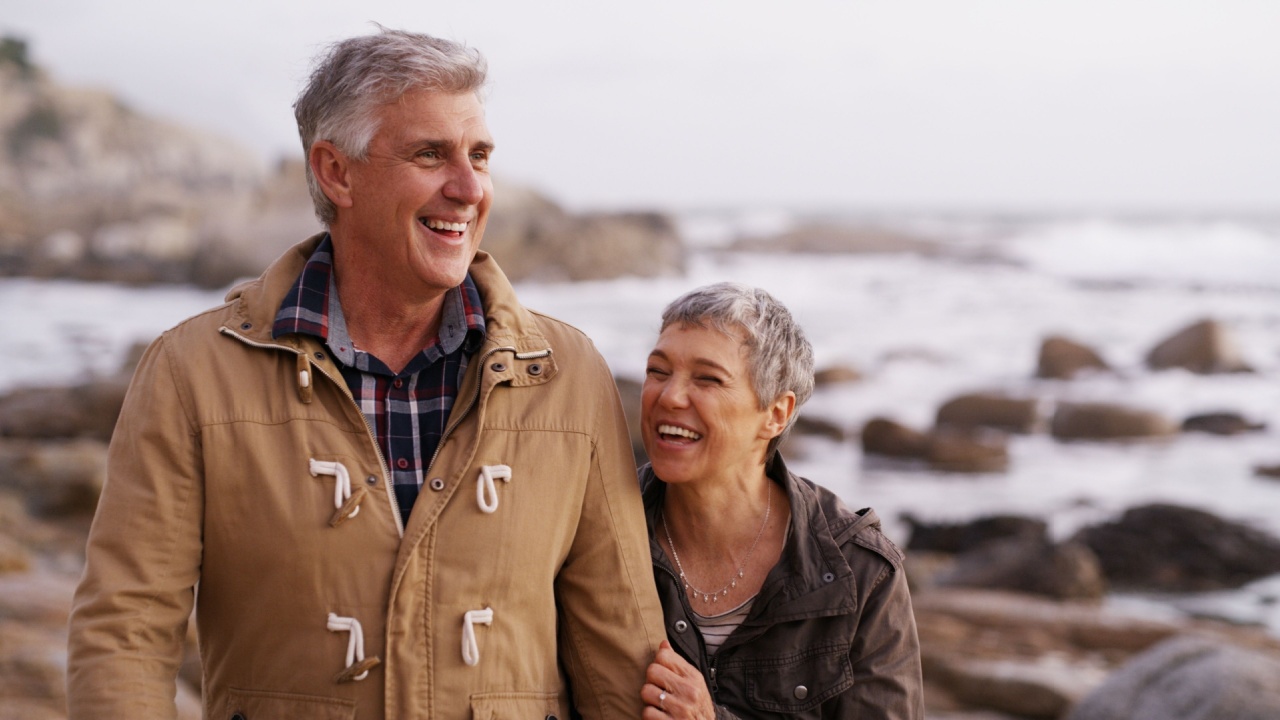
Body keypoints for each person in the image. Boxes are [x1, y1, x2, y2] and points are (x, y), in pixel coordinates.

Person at [67, 28, 664, 720]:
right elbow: (124, 635)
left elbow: (622, 647)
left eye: (479, 156)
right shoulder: (191, 372)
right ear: (336, 172)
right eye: (429, 154)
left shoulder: (566, 374)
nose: (469, 188)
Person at [636, 283, 924, 720]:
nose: (669, 396)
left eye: (707, 378)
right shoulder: (596, 525)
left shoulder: (861, 572)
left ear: (776, 414)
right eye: (658, 370)